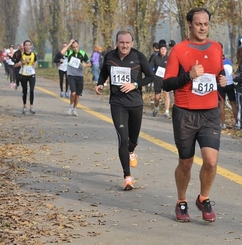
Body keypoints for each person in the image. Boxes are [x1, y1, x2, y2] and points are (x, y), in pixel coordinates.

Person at [162, 7, 227, 223]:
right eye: (198, 23)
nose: (202, 27)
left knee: (211, 161)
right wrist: (189, 76)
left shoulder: (217, 47)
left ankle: (203, 198)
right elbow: (167, 83)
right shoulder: (179, 50)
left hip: (209, 113)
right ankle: (182, 201)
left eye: (206, 24)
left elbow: (219, 72)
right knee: (186, 163)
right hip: (185, 114)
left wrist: (222, 80)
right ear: (190, 24)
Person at [95, 30, 156, 191]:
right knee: (123, 138)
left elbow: (151, 76)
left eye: (128, 43)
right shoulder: (109, 56)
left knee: (132, 139)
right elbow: (103, 72)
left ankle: (132, 150)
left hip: (135, 103)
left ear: (132, 43)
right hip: (117, 103)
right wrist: (100, 83)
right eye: (121, 42)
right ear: (116, 43)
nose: (124, 45)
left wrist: (135, 85)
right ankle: (127, 177)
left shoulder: (138, 56)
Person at [60, 39, 91, 116]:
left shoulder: (82, 53)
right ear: (71, 47)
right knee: (73, 93)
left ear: (78, 46)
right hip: (71, 75)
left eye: (77, 47)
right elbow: (62, 52)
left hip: (79, 75)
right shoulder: (69, 52)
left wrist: (86, 65)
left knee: (77, 95)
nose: (75, 48)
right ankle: (70, 106)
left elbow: (90, 63)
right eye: (73, 47)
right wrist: (69, 43)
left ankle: (74, 108)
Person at [14, 40, 38, 114]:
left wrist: (35, 65)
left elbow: (35, 61)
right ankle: (24, 106)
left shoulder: (33, 54)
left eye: (29, 45)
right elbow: (15, 65)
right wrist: (22, 62)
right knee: (24, 91)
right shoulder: (21, 55)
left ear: (31, 46)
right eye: (26, 45)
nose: (27, 46)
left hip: (32, 74)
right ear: (24, 46)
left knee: (31, 90)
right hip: (23, 74)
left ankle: (31, 107)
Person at [217, 42, 237, 129]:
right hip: (230, 84)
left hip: (221, 84)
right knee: (233, 103)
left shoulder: (217, 61)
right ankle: (237, 122)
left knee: (221, 104)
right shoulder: (228, 60)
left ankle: (223, 123)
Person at [150, 41, 170, 118]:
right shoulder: (155, 58)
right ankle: (156, 107)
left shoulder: (169, 58)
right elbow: (150, 67)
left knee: (166, 94)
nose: (163, 51)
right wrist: (152, 75)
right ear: (159, 50)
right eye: (162, 49)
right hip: (157, 79)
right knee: (157, 97)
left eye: (165, 49)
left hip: (166, 79)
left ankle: (167, 112)